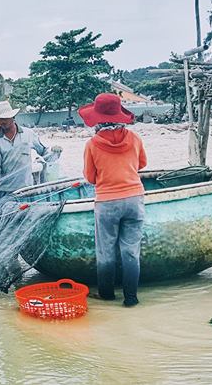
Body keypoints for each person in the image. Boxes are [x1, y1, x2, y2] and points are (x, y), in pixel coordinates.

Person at [0, 101, 59, 291]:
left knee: (21, 225)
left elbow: (44, 151)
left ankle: (19, 257)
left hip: (25, 191)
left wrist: (54, 152)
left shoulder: (28, 135)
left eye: (5, 118)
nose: (2, 122)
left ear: (13, 117)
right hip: (4, 191)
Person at [80, 93, 146, 307]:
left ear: (97, 119)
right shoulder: (135, 138)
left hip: (107, 202)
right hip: (134, 199)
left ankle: (107, 294)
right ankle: (131, 298)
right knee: (130, 251)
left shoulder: (92, 144)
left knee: (105, 251)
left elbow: (90, 178)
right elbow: (141, 164)